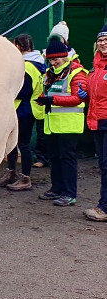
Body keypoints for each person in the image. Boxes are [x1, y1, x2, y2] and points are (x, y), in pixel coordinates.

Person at [34, 38, 87, 206]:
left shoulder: (76, 73)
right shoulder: (49, 73)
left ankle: (69, 193)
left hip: (69, 125)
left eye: (56, 59)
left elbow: (78, 98)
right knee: (55, 158)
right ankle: (56, 189)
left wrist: (52, 100)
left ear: (65, 57)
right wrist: (44, 100)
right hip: (52, 125)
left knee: (67, 159)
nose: (53, 62)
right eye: (50, 59)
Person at [0, 34, 46, 190]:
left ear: (18, 46)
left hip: (24, 110)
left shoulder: (27, 66)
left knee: (23, 144)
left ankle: (25, 178)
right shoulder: (37, 63)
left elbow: (24, 91)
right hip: (23, 109)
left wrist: (6, 90)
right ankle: (11, 173)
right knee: (12, 143)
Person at [82, 25, 107, 221]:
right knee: (104, 165)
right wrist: (86, 94)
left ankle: (104, 208)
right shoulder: (96, 67)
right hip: (97, 120)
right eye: (100, 40)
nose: (103, 43)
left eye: (106, 39)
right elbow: (96, 94)